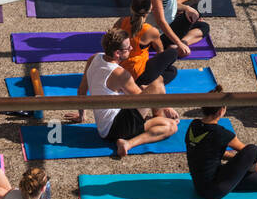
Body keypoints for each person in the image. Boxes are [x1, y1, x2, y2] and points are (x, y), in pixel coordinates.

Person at [74, 28, 179, 158]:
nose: (131, 49)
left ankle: (157, 119)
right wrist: (166, 106)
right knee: (160, 92)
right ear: (117, 53)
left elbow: (81, 91)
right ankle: (128, 143)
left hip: (104, 130)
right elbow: (142, 99)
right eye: (128, 47)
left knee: (167, 120)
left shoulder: (94, 58)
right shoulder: (121, 74)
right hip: (118, 127)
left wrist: (81, 116)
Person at [185, 87, 257, 199]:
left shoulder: (194, 125)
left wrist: (236, 160)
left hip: (200, 186)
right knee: (254, 150)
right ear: (221, 111)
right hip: (214, 190)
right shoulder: (221, 134)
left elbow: (209, 153)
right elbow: (249, 153)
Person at [144, 0, 209, 58]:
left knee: (202, 23)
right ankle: (177, 44)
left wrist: (187, 8)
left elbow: (172, 4)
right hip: (161, 34)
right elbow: (160, 21)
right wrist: (178, 43)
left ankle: (179, 44)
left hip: (169, 23)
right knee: (195, 20)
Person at [119, 0, 180, 87]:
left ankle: (146, 85)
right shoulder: (150, 30)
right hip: (138, 74)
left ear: (132, 7)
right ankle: (146, 87)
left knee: (170, 70)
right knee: (173, 60)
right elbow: (160, 51)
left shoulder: (121, 21)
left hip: (120, 70)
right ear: (150, 8)